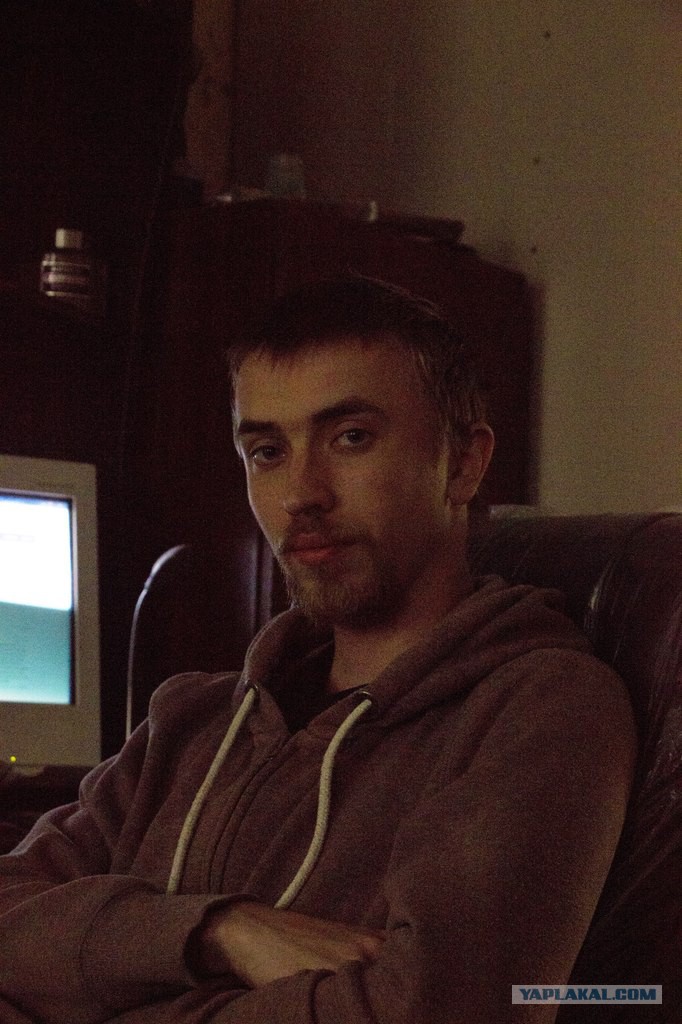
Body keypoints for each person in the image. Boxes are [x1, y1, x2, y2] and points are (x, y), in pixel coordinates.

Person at [0, 277, 636, 1023]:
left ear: (464, 463)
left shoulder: (540, 708)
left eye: (351, 438)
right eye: (268, 451)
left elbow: (430, 1014)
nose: (301, 492)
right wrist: (217, 932)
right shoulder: (191, 721)